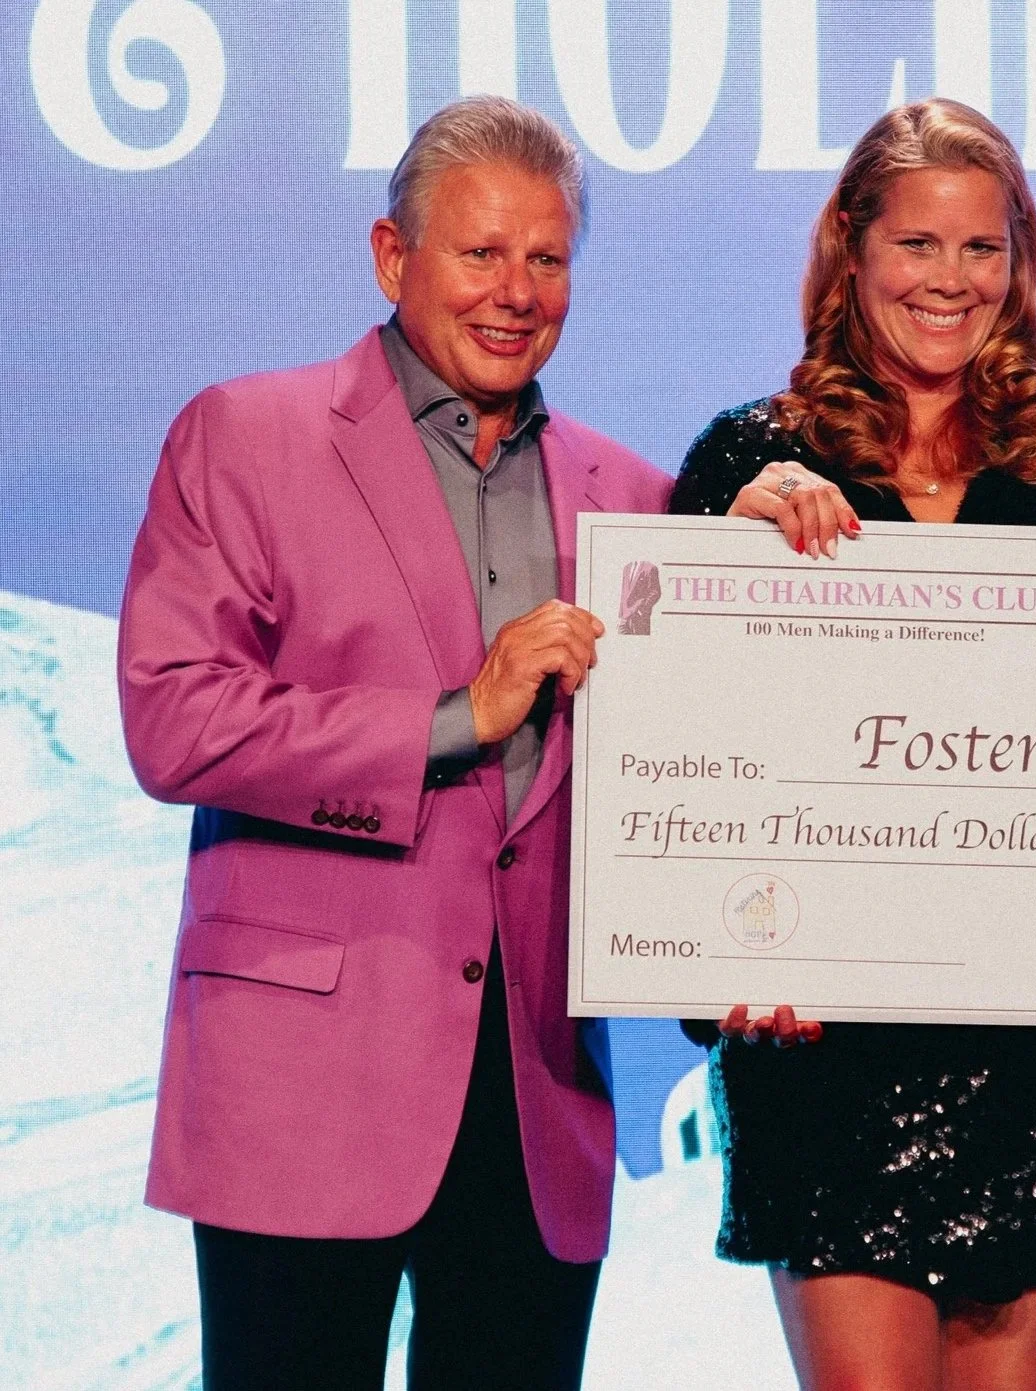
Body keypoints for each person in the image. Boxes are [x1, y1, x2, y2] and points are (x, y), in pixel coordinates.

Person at [116, 95, 670, 1390]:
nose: (515, 291)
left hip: (535, 1098)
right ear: (391, 257)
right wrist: (454, 716)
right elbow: (174, 719)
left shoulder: (636, 498)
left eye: (546, 258)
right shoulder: (245, 437)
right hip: (303, 1080)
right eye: (481, 252)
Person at [669, 98, 1036, 1390]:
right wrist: (714, 960)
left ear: (1018, 260)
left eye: (981, 247)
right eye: (917, 243)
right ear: (851, 247)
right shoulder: (749, 460)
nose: (950, 280)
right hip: (831, 1048)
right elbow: (684, 744)